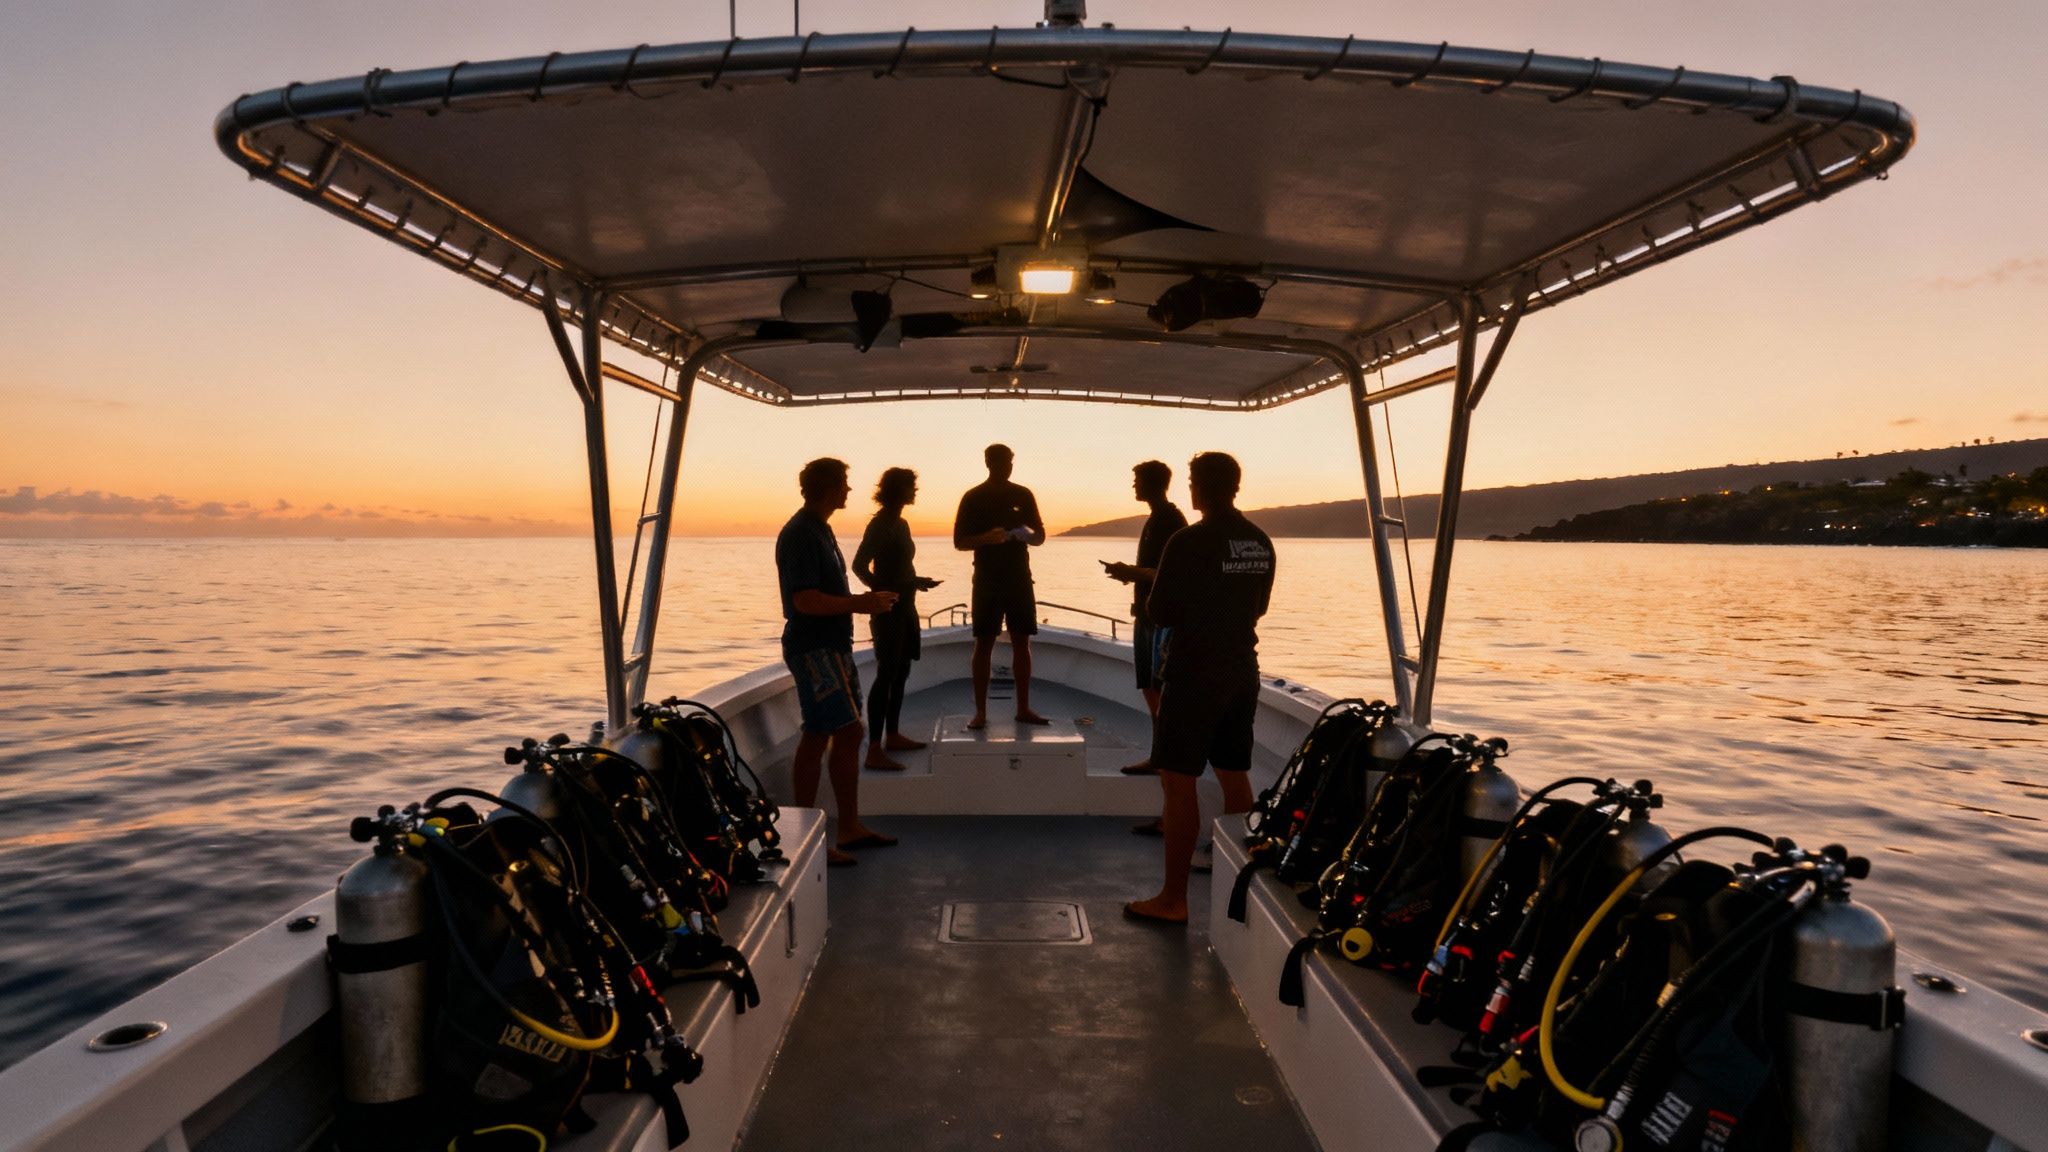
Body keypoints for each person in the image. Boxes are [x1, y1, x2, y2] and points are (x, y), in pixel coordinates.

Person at [1124, 452, 1275, 925]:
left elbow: (1161, 611)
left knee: (1178, 779)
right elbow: (1261, 607)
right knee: (1234, 773)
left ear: (1200, 488)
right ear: (1234, 485)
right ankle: (1240, 883)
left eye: (1191, 480)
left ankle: (1174, 898)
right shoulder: (1259, 542)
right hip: (1241, 670)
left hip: (1193, 673)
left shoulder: (1188, 541)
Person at [776, 457, 901, 867]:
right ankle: (807, 839)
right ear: (829, 487)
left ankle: (848, 827)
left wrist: (862, 606)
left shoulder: (821, 529)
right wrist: (862, 603)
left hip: (835, 646)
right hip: (813, 648)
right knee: (824, 732)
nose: (849, 490)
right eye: (845, 483)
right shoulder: (800, 534)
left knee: (847, 732)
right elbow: (804, 600)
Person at [952, 443, 1049, 729]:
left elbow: (1040, 536)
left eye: (1009, 460)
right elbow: (959, 541)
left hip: (1019, 576)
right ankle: (980, 713)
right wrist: (987, 538)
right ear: (988, 462)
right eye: (1000, 461)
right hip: (986, 579)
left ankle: (1023, 708)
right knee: (984, 642)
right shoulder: (972, 497)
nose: (1006, 465)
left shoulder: (1024, 494)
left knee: (1022, 641)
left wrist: (1024, 534)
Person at [1103, 459, 1187, 782]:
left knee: (1159, 690)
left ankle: (1163, 757)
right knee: (1151, 689)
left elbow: (1170, 574)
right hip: (1146, 615)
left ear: (1152, 483)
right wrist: (1130, 577)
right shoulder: (1156, 518)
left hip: (1160, 621)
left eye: (1136, 480)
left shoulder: (1170, 520)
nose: (1133, 485)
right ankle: (1159, 754)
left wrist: (1130, 572)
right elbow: (1154, 572)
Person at [853, 467, 940, 771]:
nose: (915, 491)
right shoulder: (881, 525)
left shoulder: (900, 523)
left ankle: (893, 735)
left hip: (907, 606)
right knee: (886, 673)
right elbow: (859, 565)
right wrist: (880, 593)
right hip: (889, 612)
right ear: (896, 490)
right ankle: (874, 749)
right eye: (910, 486)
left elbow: (899, 566)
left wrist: (915, 582)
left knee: (901, 672)